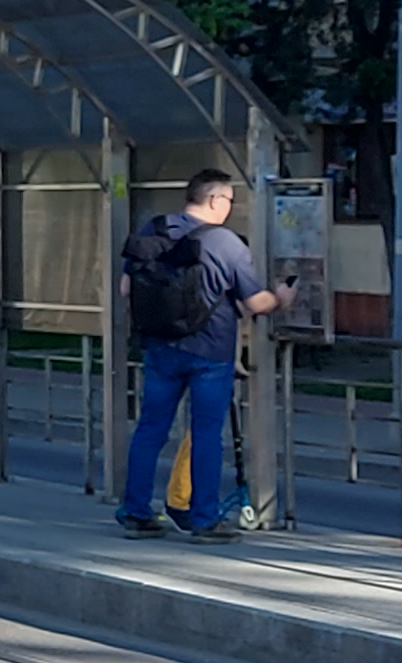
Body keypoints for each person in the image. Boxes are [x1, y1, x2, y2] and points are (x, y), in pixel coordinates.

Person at [115, 168, 283, 544]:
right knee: (207, 433)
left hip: (160, 347)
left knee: (150, 429)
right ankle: (204, 519)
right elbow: (256, 302)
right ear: (214, 199)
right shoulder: (226, 242)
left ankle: (136, 512)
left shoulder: (153, 229)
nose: (230, 207)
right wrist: (282, 298)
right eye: (229, 200)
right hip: (210, 352)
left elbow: (126, 287)